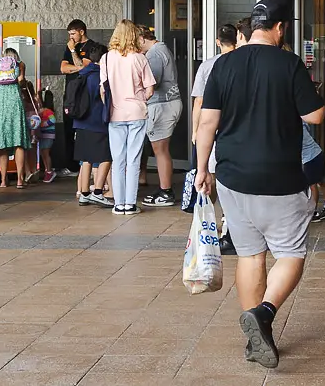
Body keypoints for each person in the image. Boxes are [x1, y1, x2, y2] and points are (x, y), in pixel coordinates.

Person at [195, 0, 325, 370]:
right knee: (290, 255)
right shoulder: (289, 63)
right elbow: (314, 115)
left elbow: (207, 123)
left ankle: (255, 334)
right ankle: (264, 314)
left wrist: (203, 168)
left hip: (232, 178)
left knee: (251, 254)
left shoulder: (224, 64)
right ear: (281, 28)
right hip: (280, 178)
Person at [191, 22, 240, 251]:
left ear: (218, 41)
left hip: (213, 130)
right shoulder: (243, 64)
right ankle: (229, 226)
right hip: (235, 132)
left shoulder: (209, 66)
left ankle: (209, 226)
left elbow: (199, 101)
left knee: (209, 178)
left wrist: (195, 130)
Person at [103, 19, 155, 214]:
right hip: (136, 112)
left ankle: (119, 203)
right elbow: (150, 88)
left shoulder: (107, 58)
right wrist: (141, 97)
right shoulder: (139, 58)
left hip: (115, 114)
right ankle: (130, 203)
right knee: (134, 158)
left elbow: (103, 90)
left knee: (118, 160)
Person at [138, 26, 184, 208]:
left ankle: (166, 192)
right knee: (160, 150)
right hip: (167, 104)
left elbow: (152, 83)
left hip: (162, 105)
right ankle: (164, 189)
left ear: (142, 38)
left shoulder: (154, 54)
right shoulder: (161, 49)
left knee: (160, 150)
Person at [72, 41, 113, 206]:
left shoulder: (83, 74)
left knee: (86, 158)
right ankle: (97, 191)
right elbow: (105, 99)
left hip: (81, 122)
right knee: (106, 156)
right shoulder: (99, 76)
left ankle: (84, 193)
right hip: (97, 122)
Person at [0, 47, 29, 188]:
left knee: (2, 143)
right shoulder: (19, 65)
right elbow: (21, 81)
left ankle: (4, 180)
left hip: (0, 104)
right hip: (14, 102)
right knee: (18, 141)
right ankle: (19, 180)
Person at [59, 19, 93, 179]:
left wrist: (74, 53)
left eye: (73, 33)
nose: (71, 38)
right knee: (68, 129)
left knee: (84, 131)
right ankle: (71, 165)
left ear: (81, 31)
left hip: (84, 95)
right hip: (70, 96)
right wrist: (78, 67)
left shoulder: (91, 47)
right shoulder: (69, 46)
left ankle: (86, 166)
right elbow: (63, 68)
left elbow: (85, 69)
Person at [37, 90, 57, 182]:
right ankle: (47, 170)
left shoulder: (47, 111)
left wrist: (43, 124)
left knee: (45, 153)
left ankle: (49, 171)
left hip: (48, 135)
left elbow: (52, 120)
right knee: (43, 153)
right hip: (43, 135)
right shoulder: (42, 111)